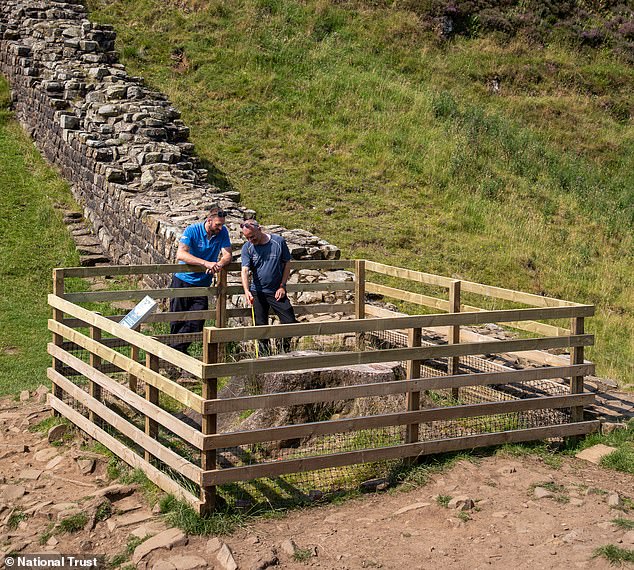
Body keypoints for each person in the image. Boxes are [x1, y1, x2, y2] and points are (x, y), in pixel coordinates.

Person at [169, 207, 232, 354]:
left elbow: (227, 255)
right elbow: (181, 254)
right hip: (182, 281)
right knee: (177, 320)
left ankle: (172, 352)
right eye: (217, 224)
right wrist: (205, 263)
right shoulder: (192, 230)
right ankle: (176, 356)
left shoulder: (222, 233)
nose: (220, 227)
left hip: (202, 284)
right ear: (209, 221)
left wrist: (218, 265)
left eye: (222, 224)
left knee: (197, 322)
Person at [240, 220, 297, 355]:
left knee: (289, 321)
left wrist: (282, 286)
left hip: (276, 290)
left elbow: (287, 263)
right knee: (261, 326)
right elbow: (245, 270)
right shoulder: (247, 247)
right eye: (247, 238)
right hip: (257, 292)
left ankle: (283, 350)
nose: (250, 240)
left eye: (252, 236)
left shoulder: (278, 242)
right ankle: (264, 357)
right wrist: (247, 291)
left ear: (259, 229)